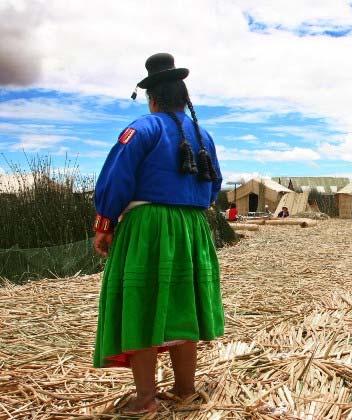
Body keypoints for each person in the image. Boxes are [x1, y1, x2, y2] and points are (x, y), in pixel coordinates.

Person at [92, 53, 224, 415]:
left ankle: (146, 400)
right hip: (194, 229)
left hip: (149, 227)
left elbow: (117, 178)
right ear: (184, 98)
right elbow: (214, 186)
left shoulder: (142, 129)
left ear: (152, 97)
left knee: (143, 305)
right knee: (184, 307)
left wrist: (105, 224)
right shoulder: (204, 135)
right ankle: (184, 390)